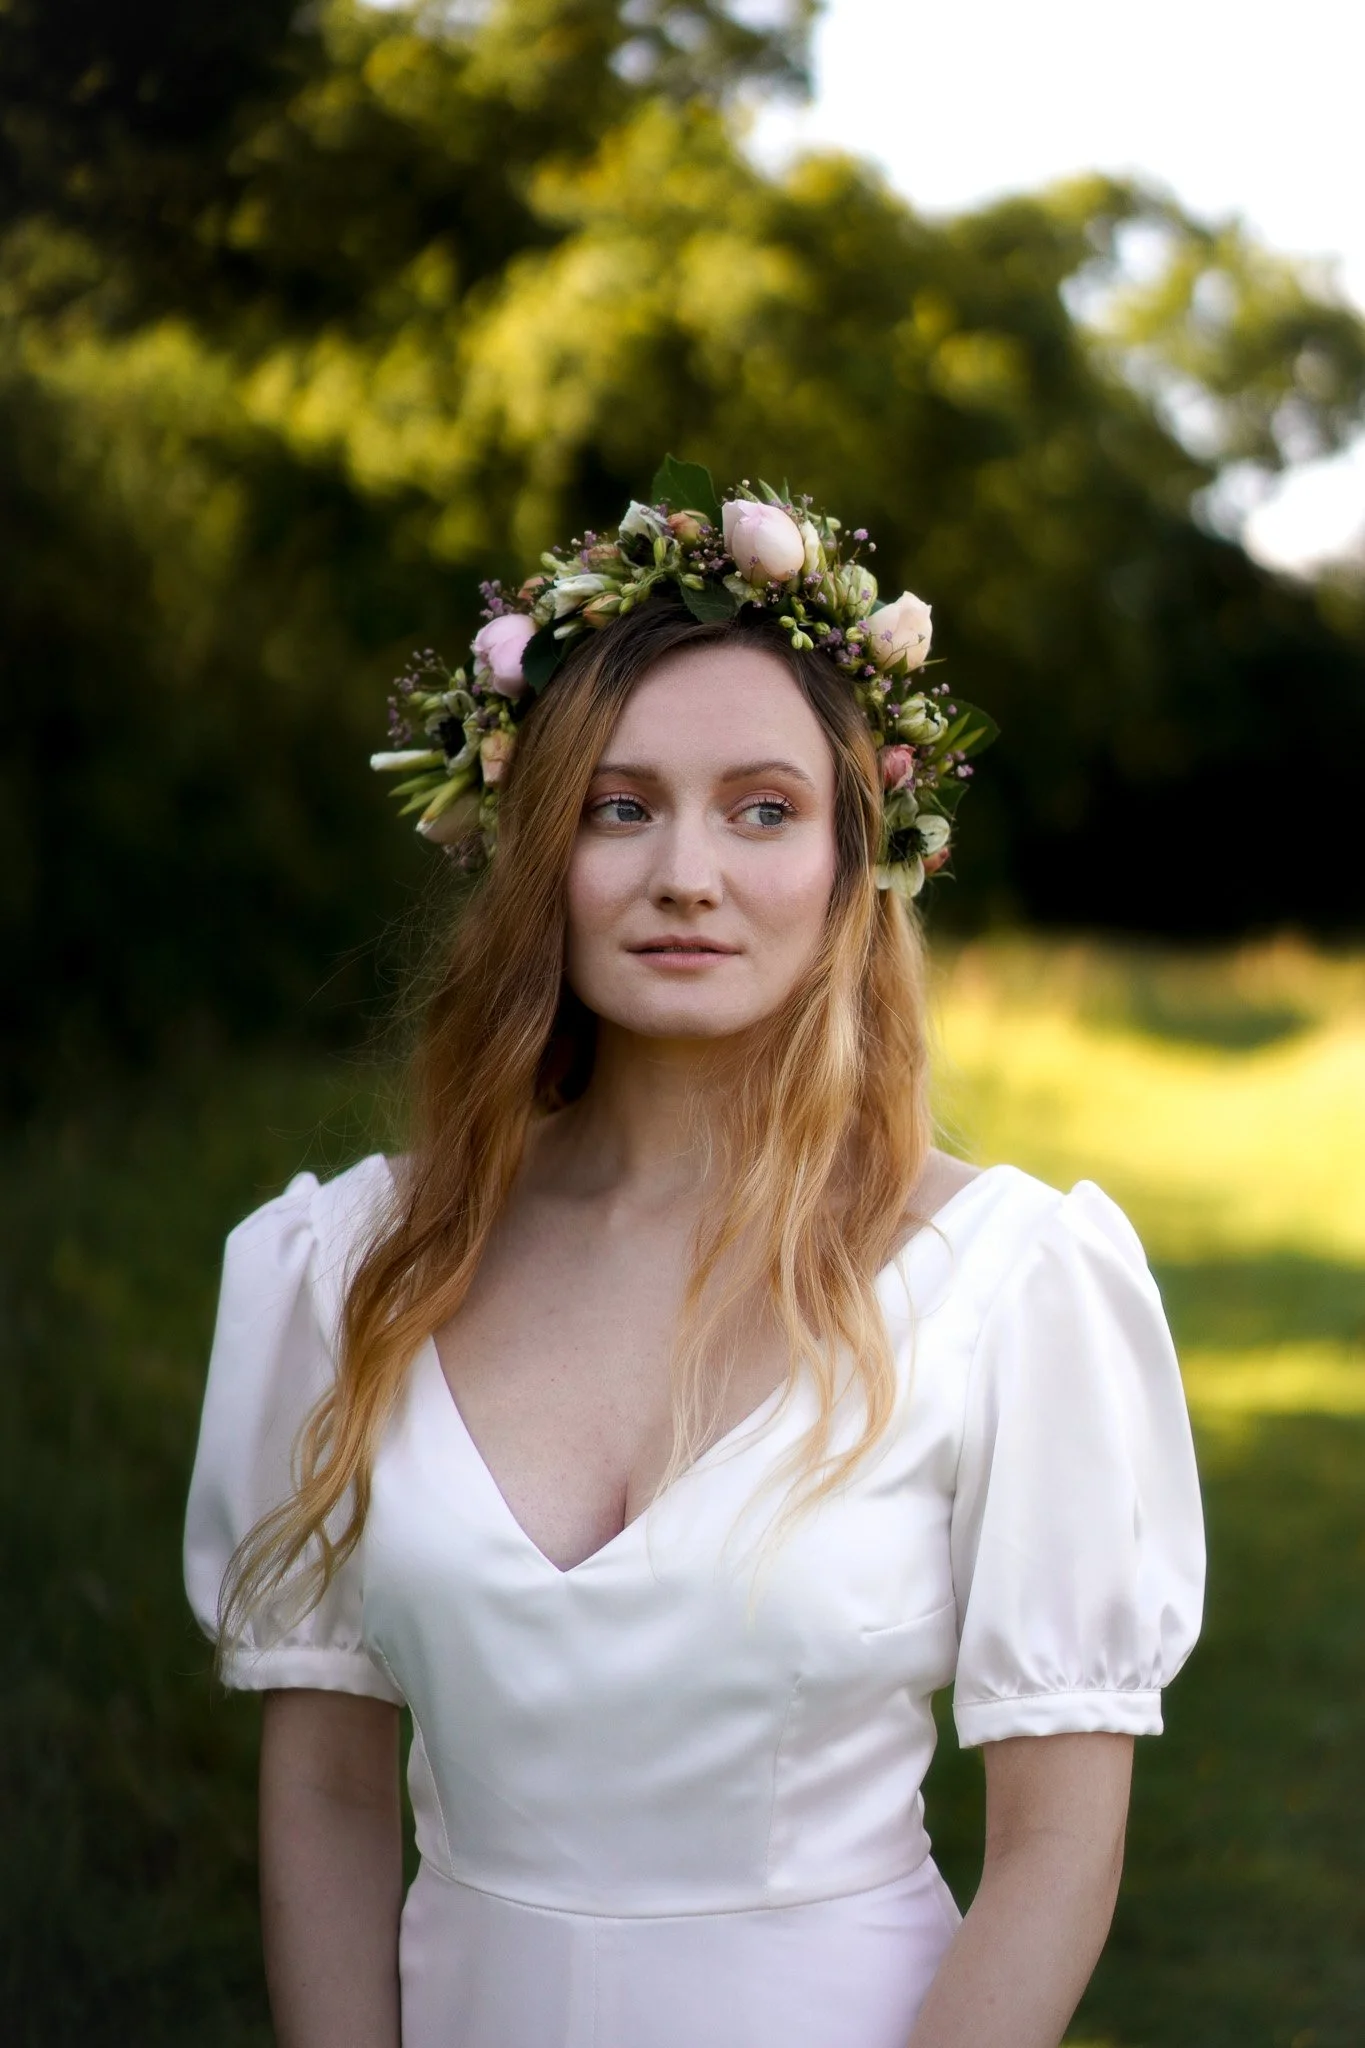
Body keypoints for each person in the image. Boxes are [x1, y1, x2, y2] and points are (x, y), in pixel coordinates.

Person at [184, 464, 1205, 2048]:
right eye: (619, 806)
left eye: (763, 809)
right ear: (535, 850)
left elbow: (1058, 1848)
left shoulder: (1007, 1284)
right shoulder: (351, 1268)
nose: (686, 875)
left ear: (860, 855)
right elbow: (324, 1791)